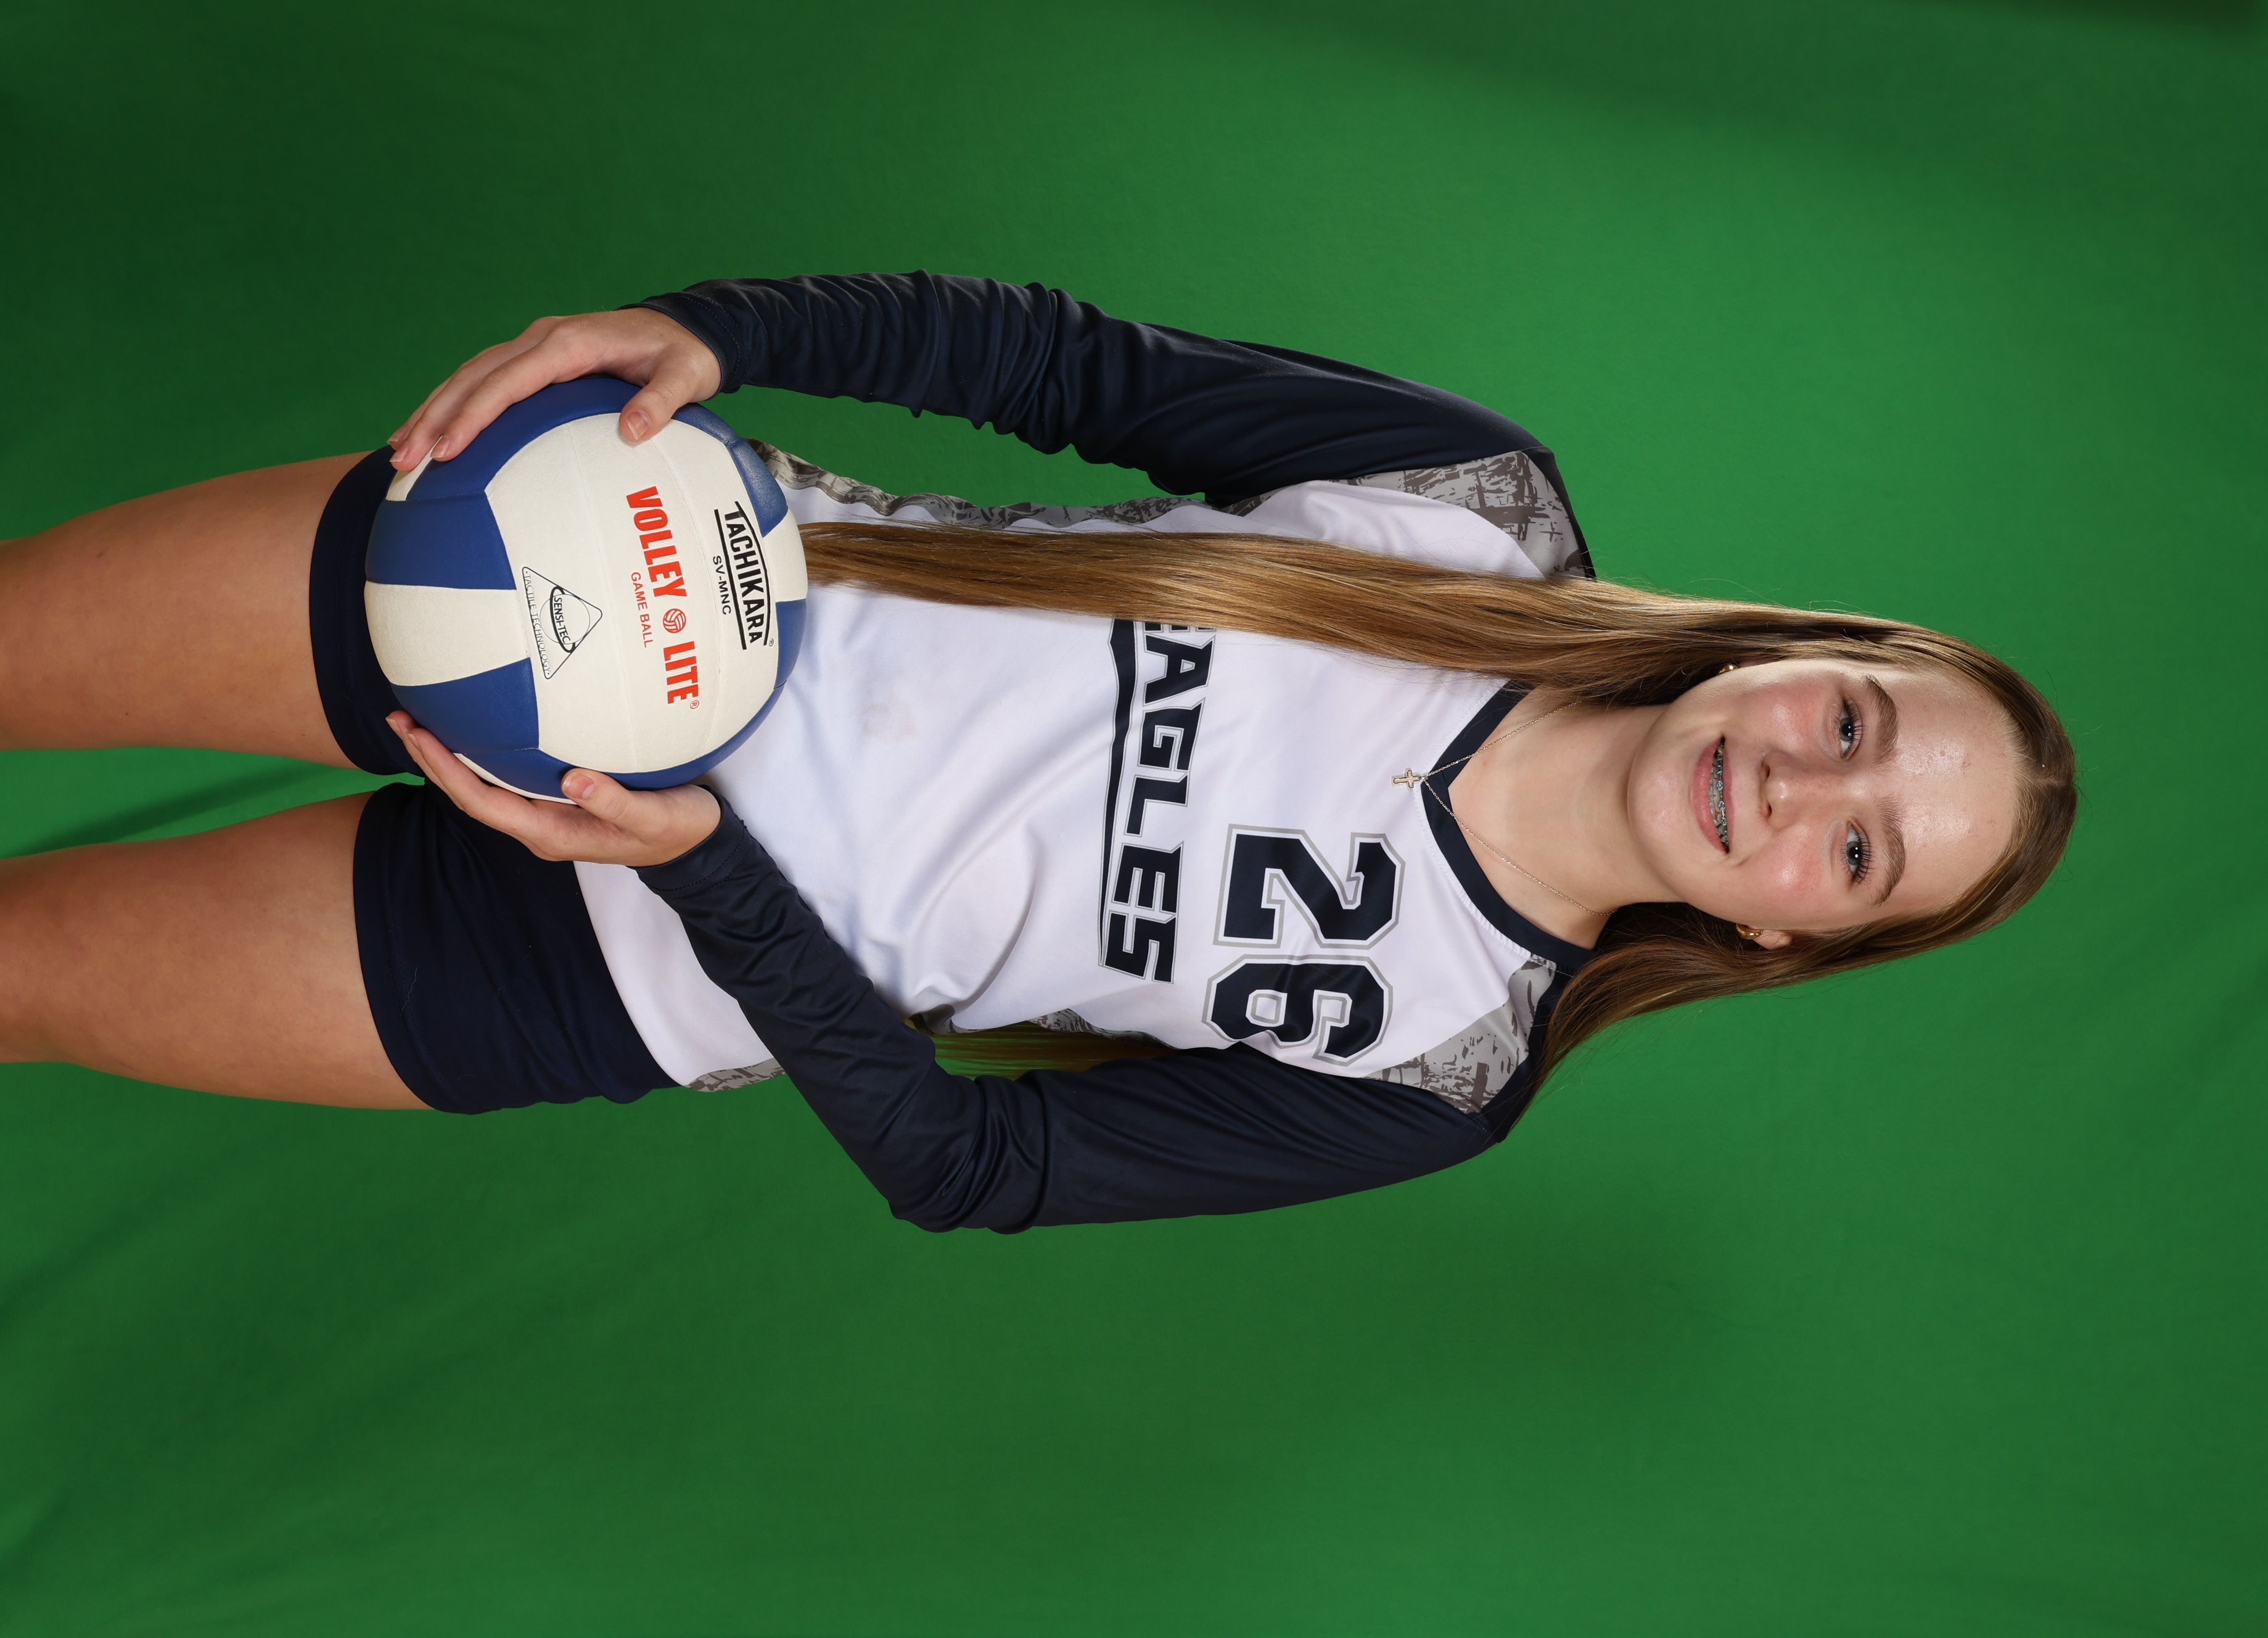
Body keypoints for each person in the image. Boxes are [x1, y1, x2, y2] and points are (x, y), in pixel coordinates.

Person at [0, 273, 2077, 1231]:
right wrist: (730, 334)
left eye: (1861, 853)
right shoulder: (1469, 509)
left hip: (605, 961)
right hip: (630, 568)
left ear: (1793, 937)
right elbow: (1071, 366)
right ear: (1803, 655)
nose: (1805, 790)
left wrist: (701, 865)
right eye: (1854, 724)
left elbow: (970, 1165)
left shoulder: (1436, 1069)